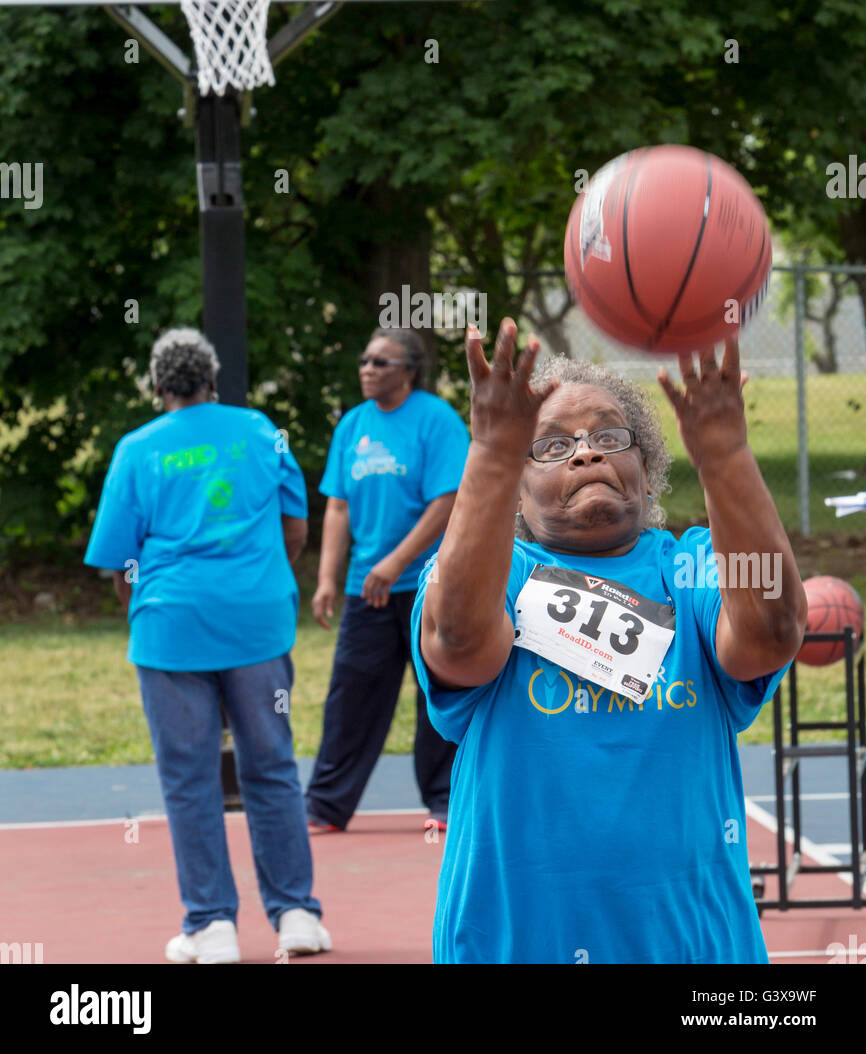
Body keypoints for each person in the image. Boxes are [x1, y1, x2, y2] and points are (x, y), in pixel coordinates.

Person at [412, 318, 808, 964]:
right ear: (515, 488)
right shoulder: (492, 571)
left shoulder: (696, 567)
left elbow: (770, 635)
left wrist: (724, 454)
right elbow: (459, 643)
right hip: (511, 946)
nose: (586, 452)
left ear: (647, 473)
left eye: (608, 436)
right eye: (550, 446)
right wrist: (490, 452)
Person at [84, 327, 330, 964]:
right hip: (257, 621)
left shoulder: (137, 448)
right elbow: (295, 528)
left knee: (189, 779)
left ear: (159, 385)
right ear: (214, 379)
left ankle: (212, 925)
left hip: (171, 626)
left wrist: (147, 614)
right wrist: (260, 578)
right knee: (272, 766)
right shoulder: (260, 432)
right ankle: (297, 914)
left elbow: (119, 562)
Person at [306, 327, 470, 833]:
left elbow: (447, 502)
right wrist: (328, 578)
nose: (368, 369)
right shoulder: (353, 425)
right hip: (367, 589)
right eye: (365, 359)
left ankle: (445, 803)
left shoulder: (436, 420)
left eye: (381, 362)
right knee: (352, 697)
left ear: (408, 373)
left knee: (438, 692)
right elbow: (337, 505)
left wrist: (398, 562)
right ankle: (326, 806)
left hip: (430, 584)